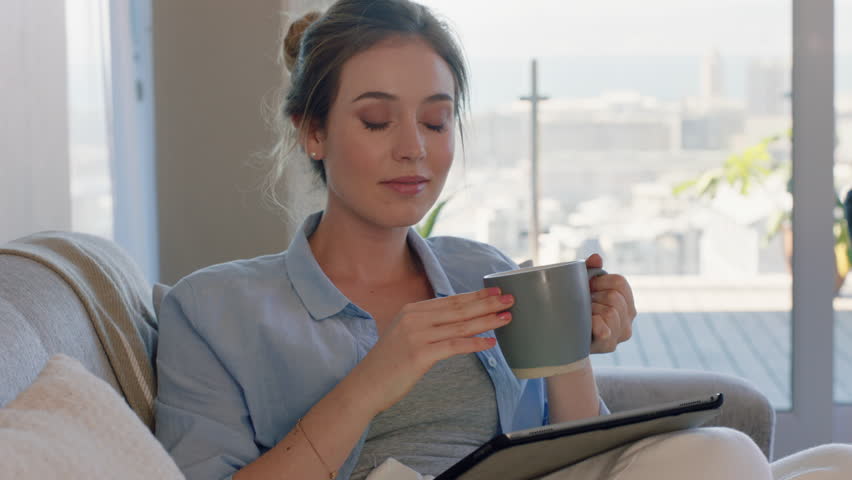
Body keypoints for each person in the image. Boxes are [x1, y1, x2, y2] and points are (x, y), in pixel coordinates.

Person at [153, 1, 852, 479]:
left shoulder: (478, 270)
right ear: (313, 132)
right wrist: (376, 378)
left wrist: (571, 342)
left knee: (807, 459)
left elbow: (572, 449)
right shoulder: (213, 310)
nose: (414, 151)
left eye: (435, 121)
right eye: (376, 122)